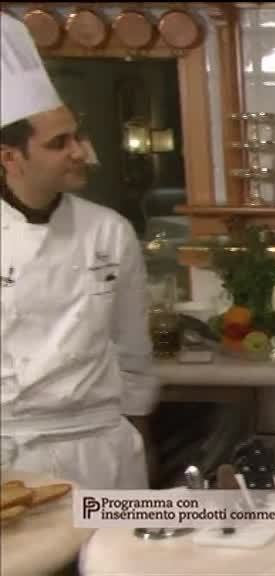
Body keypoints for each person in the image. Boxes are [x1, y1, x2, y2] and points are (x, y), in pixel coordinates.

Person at [0, 13, 159, 489]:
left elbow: (133, 348)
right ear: (10, 158)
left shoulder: (108, 231)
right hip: (12, 452)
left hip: (103, 446)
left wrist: (140, 436)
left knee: (116, 544)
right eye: (59, 143)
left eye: (78, 136)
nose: (81, 152)